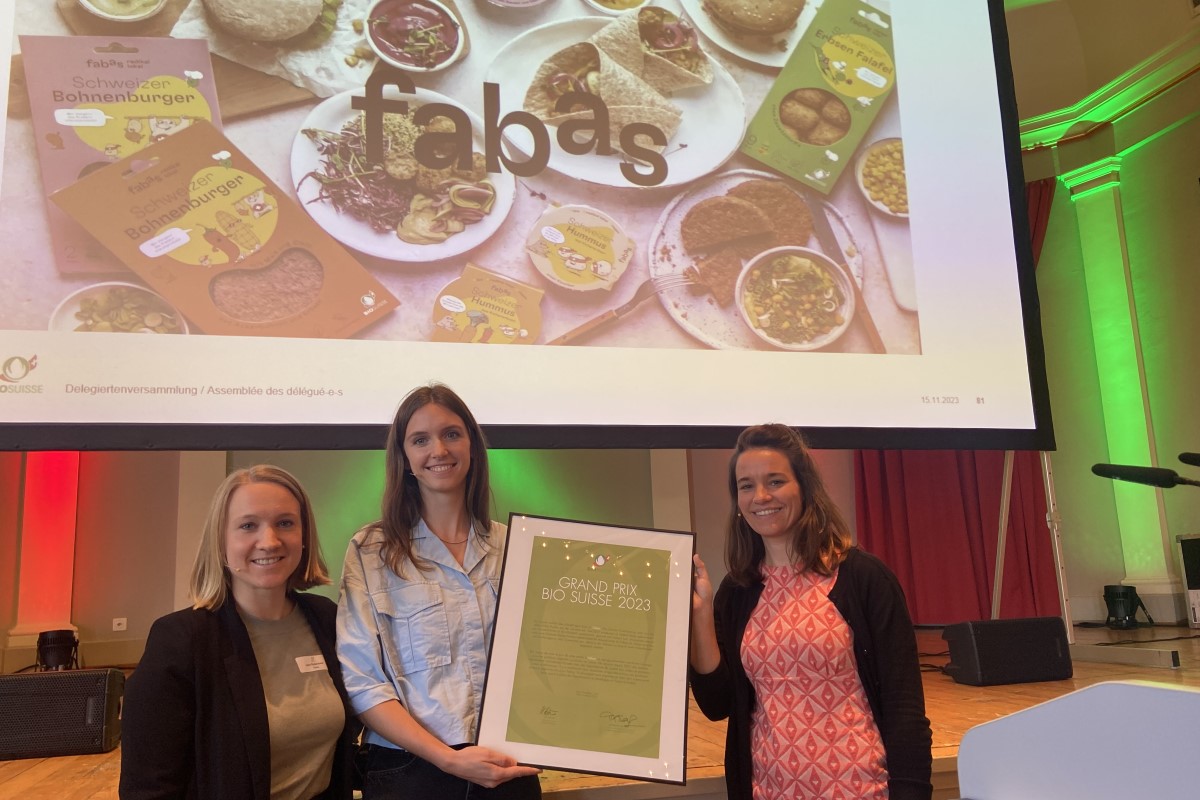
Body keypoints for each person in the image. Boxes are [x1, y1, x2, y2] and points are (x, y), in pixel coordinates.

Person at [689, 424, 932, 800]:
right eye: (746, 486)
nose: (761, 496)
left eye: (775, 481)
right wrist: (701, 616)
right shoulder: (736, 593)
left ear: (804, 487)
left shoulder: (864, 579)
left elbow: (905, 710)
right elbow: (717, 704)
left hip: (863, 791)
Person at [337, 383, 541, 799]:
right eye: (420, 439)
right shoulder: (371, 550)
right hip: (411, 773)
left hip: (508, 767)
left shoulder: (517, 547)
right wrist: (448, 759)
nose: (439, 450)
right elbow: (363, 683)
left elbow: (548, 663)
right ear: (404, 457)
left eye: (451, 434)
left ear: (472, 446)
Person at [120, 465, 356, 800]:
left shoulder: (327, 620)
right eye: (248, 526)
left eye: (285, 523)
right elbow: (149, 788)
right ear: (220, 542)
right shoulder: (181, 641)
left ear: (304, 537)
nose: (269, 541)